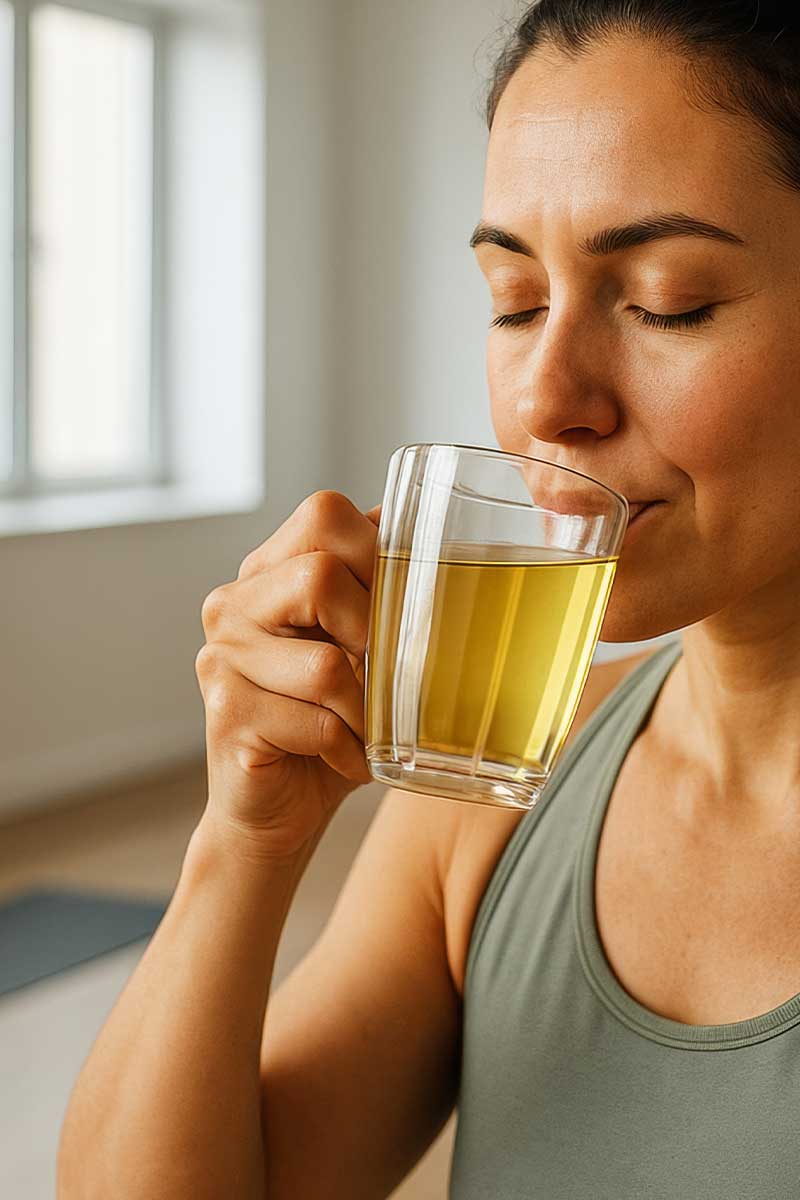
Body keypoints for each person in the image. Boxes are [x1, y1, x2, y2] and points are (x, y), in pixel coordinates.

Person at [58, 2, 800, 1196]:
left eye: (665, 299)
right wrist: (245, 844)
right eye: (512, 303)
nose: (545, 395)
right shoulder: (495, 788)